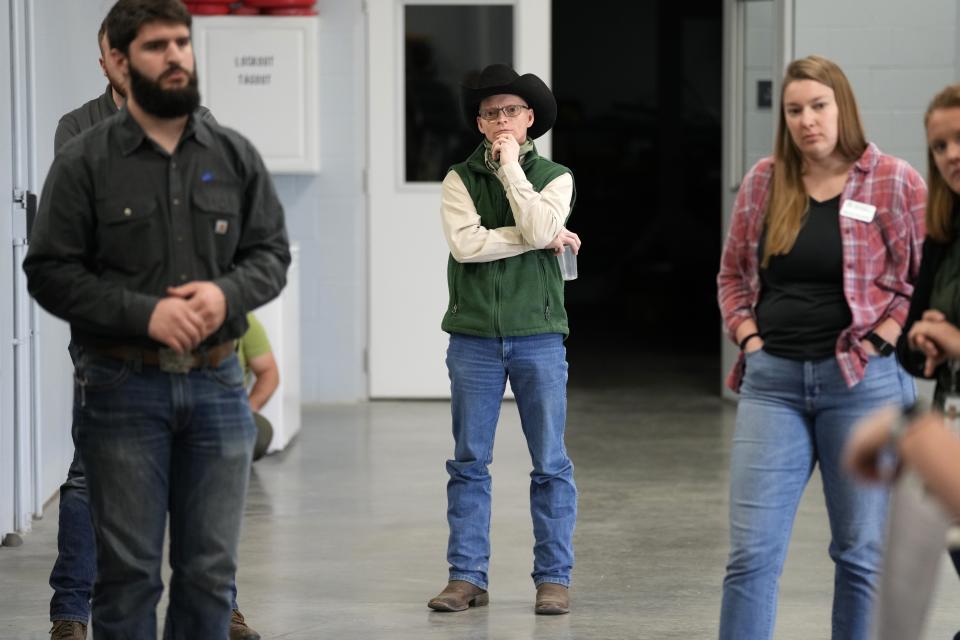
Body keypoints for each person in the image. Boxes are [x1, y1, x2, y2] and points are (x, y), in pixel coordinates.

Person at [24, 0, 290, 637]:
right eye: (155, 45)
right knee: (130, 576)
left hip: (218, 380)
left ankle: (226, 607)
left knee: (206, 566)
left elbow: (270, 253)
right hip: (120, 379)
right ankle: (69, 610)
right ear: (117, 60)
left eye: (183, 42)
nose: (175, 56)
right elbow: (52, 269)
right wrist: (147, 314)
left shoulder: (230, 148)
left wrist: (226, 296)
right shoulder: (83, 151)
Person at [716, 55, 924, 639]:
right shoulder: (765, 180)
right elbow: (732, 275)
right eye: (795, 110)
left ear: (842, 107)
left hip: (863, 384)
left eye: (819, 106)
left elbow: (923, 277)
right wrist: (749, 338)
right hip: (772, 382)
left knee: (861, 551)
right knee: (751, 554)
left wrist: (887, 332)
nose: (808, 120)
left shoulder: (894, 179)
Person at [427, 63, 580, 616]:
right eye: (491, 114)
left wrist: (514, 170)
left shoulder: (556, 176)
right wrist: (534, 236)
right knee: (469, 461)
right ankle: (466, 577)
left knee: (550, 463)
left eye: (511, 111)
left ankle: (553, 579)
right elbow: (467, 247)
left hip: (539, 334)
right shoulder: (457, 179)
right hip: (472, 339)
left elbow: (543, 231)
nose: (501, 122)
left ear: (530, 118)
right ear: (479, 122)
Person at [237, 312, 279, 460]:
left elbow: (269, 372)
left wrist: (248, 408)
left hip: (228, 409)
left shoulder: (243, 318)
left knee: (260, 433)